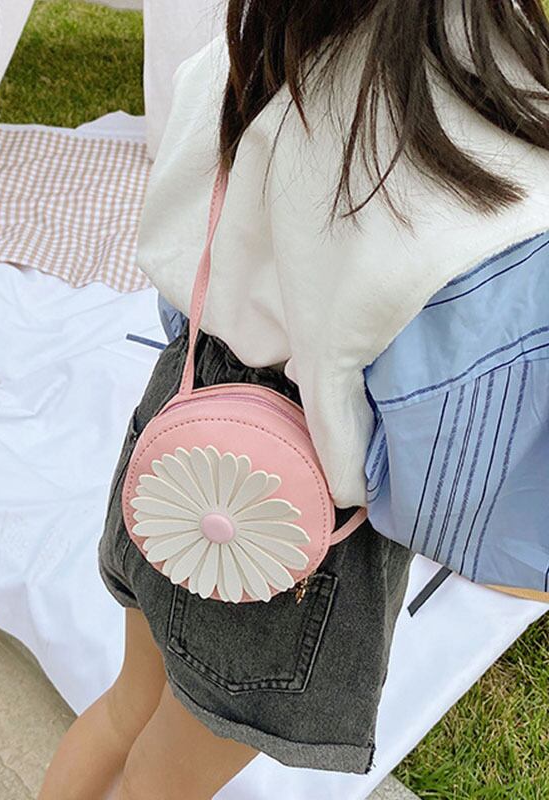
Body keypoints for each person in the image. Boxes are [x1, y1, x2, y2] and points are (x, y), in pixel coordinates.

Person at [40, 1, 549, 797]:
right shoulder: (477, 160)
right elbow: (453, 436)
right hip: (290, 509)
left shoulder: (246, 51)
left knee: (123, 709)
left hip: (181, 420)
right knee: (167, 780)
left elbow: (179, 249)